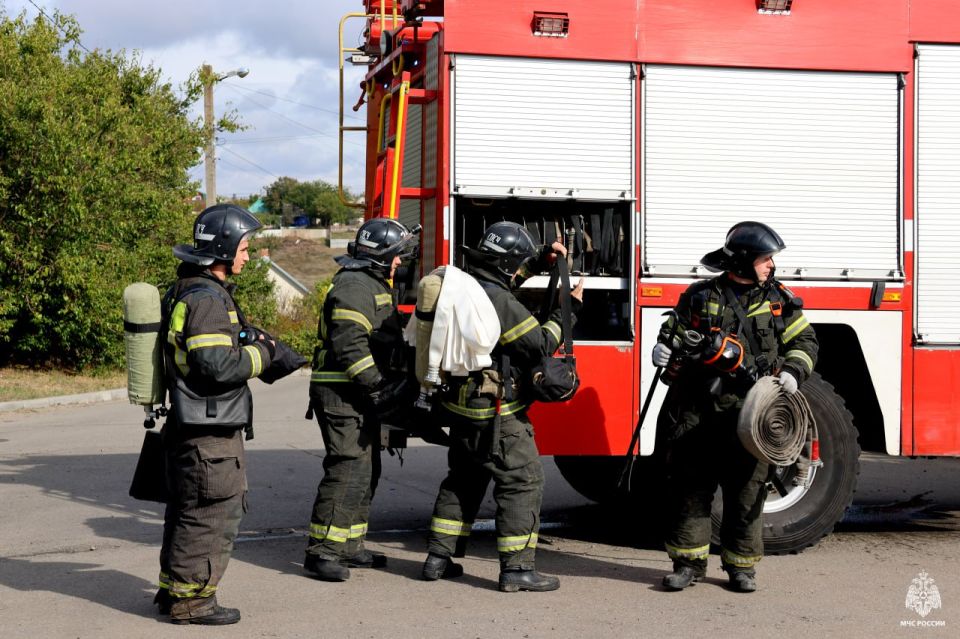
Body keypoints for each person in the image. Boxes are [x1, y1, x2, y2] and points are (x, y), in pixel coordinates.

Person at [653, 221, 818, 593]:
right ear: (743, 261)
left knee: (748, 491)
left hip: (751, 414)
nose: (771, 265)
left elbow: (805, 342)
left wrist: (793, 371)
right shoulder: (700, 296)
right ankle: (688, 565)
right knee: (690, 489)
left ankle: (741, 568)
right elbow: (674, 332)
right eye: (764, 259)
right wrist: (662, 349)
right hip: (696, 410)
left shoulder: (778, 301)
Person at [421, 221, 584, 592]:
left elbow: (506, 280)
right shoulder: (500, 301)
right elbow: (539, 344)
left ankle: (438, 558)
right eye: (520, 262)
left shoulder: (469, 282)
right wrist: (568, 309)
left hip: (462, 406)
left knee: (463, 479)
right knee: (523, 481)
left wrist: (540, 261)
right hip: (496, 412)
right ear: (508, 263)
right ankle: (517, 569)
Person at [155, 203, 274, 625]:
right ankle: (192, 602)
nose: (247, 256)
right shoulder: (206, 299)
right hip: (208, 432)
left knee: (188, 510)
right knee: (210, 512)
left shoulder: (189, 288)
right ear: (223, 249)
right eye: (244, 248)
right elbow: (216, 365)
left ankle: (174, 589)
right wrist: (263, 355)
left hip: (193, 424)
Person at [303, 217, 419, 582]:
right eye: (396, 255)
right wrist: (377, 385)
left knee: (366, 469)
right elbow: (349, 343)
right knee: (347, 468)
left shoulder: (369, 281)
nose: (399, 262)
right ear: (381, 256)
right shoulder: (354, 285)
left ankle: (350, 545)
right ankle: (322, 552)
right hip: (342, 392)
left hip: (356, 393)